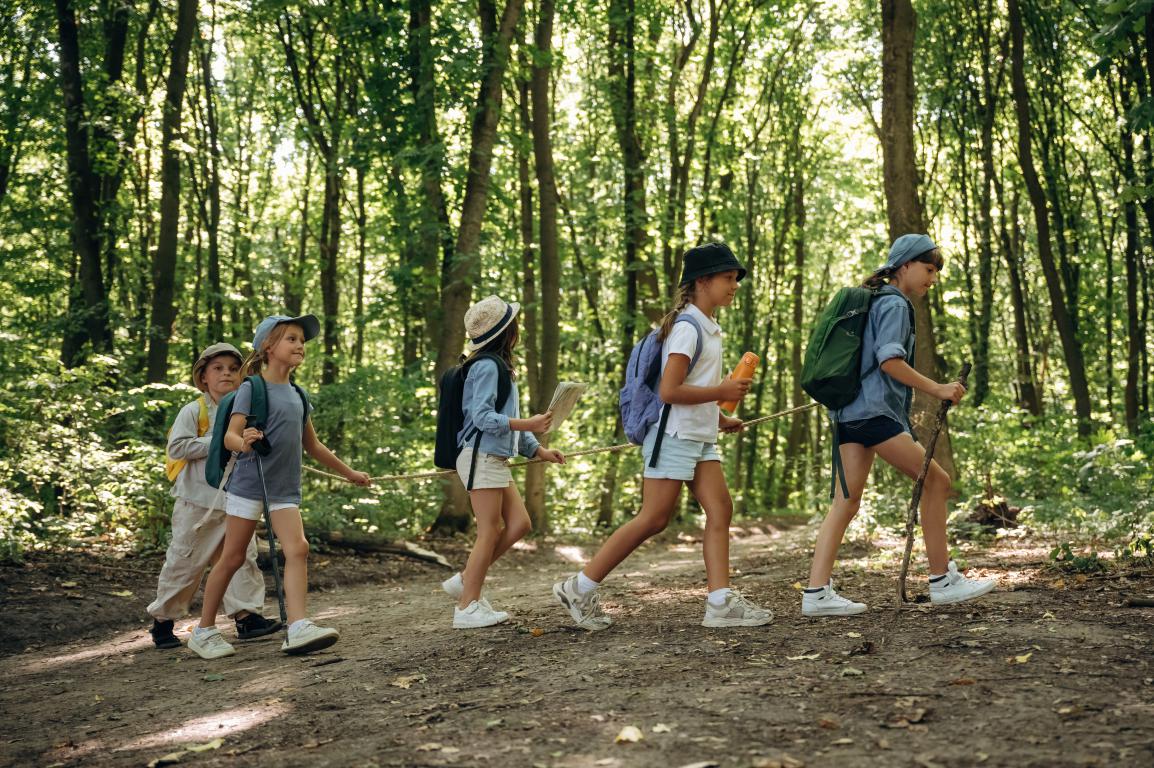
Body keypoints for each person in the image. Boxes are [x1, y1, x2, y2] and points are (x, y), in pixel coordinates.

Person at [554, 242, 772, 630]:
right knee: (654, 518)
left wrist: (719, 419)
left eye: (736, 278)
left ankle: (720, 602)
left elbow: (693, 388)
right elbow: (669, 392)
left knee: (721, 509)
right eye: (727, 278)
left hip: (699, 436)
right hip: (672, 435)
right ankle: (579, 586)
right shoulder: (687, 328)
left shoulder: (707, 325)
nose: (734, 284)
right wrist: (721, 394)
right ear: (702, 281)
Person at [802, 234, 996, 617]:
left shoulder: (874, 301)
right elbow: (890, 361)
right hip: (874, 414)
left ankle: (815, 592)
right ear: (904, 266)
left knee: (845, 501)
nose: (932, 279)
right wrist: (937, 387)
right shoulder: (894, 304)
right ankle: (942, 580)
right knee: (937, 482)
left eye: (936, 272)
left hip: (848, 415)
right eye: (928, 269)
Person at [188, 315, 371, 659]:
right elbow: (230, 434)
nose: (300, 345)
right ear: (268, 348)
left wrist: (350, 473)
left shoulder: (298, 395)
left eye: (301, 340)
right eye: (291, 338)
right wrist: (244, 441)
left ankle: (299, 625)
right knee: (232, 557)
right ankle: (204, 629)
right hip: (248, 486)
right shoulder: (251, 388)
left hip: (283, 490)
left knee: (298, 548)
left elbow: (313, 446)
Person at [147, 343, 281, 649]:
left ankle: (247, 617)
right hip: (198, 501)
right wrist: (220, 443)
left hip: (238, 499)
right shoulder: (194, 410)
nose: (227, 374)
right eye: (218, 369)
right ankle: (163, 622)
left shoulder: (246, 411)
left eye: (233, 369)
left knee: (242, 558)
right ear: (203, 376)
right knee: (185, 561)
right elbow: (177, 447)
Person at [442, 295, 565, 629]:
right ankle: (467, 606)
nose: (518, 328)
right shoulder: (484, 366)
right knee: (489, 530)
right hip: (480, 455)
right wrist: (529, 425)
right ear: (506, 331)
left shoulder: (502, 368)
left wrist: (538, 450)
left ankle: (466, 580)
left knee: (520, 523)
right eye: (515, 323)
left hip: (494, 457)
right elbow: (482, 417)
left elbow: (511, 420)